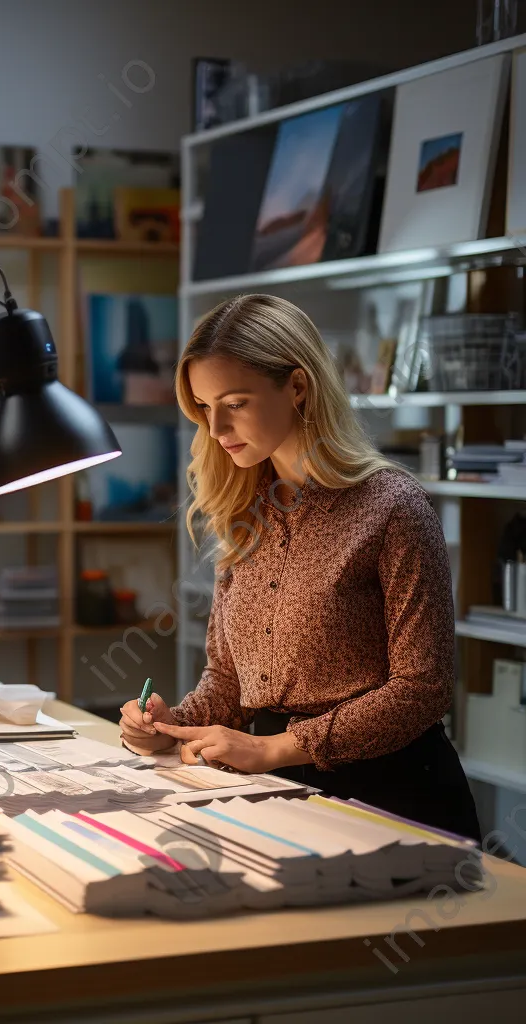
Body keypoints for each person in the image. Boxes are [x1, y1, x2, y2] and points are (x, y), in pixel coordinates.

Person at [120, 293, 480, 842]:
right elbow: (229, 682)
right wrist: (169, 728)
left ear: (297, 386)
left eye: (235, 402)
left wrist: (273, 749)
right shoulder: (244, 512)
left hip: (390, 798)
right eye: (203, 406)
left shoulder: (393, 507)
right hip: (273, 792)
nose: (215, 428)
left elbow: (422, 689)